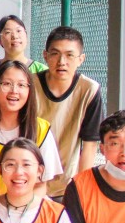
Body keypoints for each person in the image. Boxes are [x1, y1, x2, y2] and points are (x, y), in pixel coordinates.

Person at [0, 60, 63, 204]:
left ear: (29, 90)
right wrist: (2, 211)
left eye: (21, 85)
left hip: (30, 208)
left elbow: (41, 186)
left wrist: (20, 211)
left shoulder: (41, 129)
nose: (14, 91)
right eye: (6, 84)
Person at [33, 26, 104, 199]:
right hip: (29, 183)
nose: (62, 61)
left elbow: (90, 145)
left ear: (81, 59)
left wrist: (81, 189)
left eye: (69, 55)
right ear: (45, 56)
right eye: (55, 54)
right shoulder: (28, 85)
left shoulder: (90, 90)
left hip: (67, 185)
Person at [0, 15, 48, 91]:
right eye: (8, 32)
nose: (15, 36)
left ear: (26, 35)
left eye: (19, 31)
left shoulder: (43, 71)